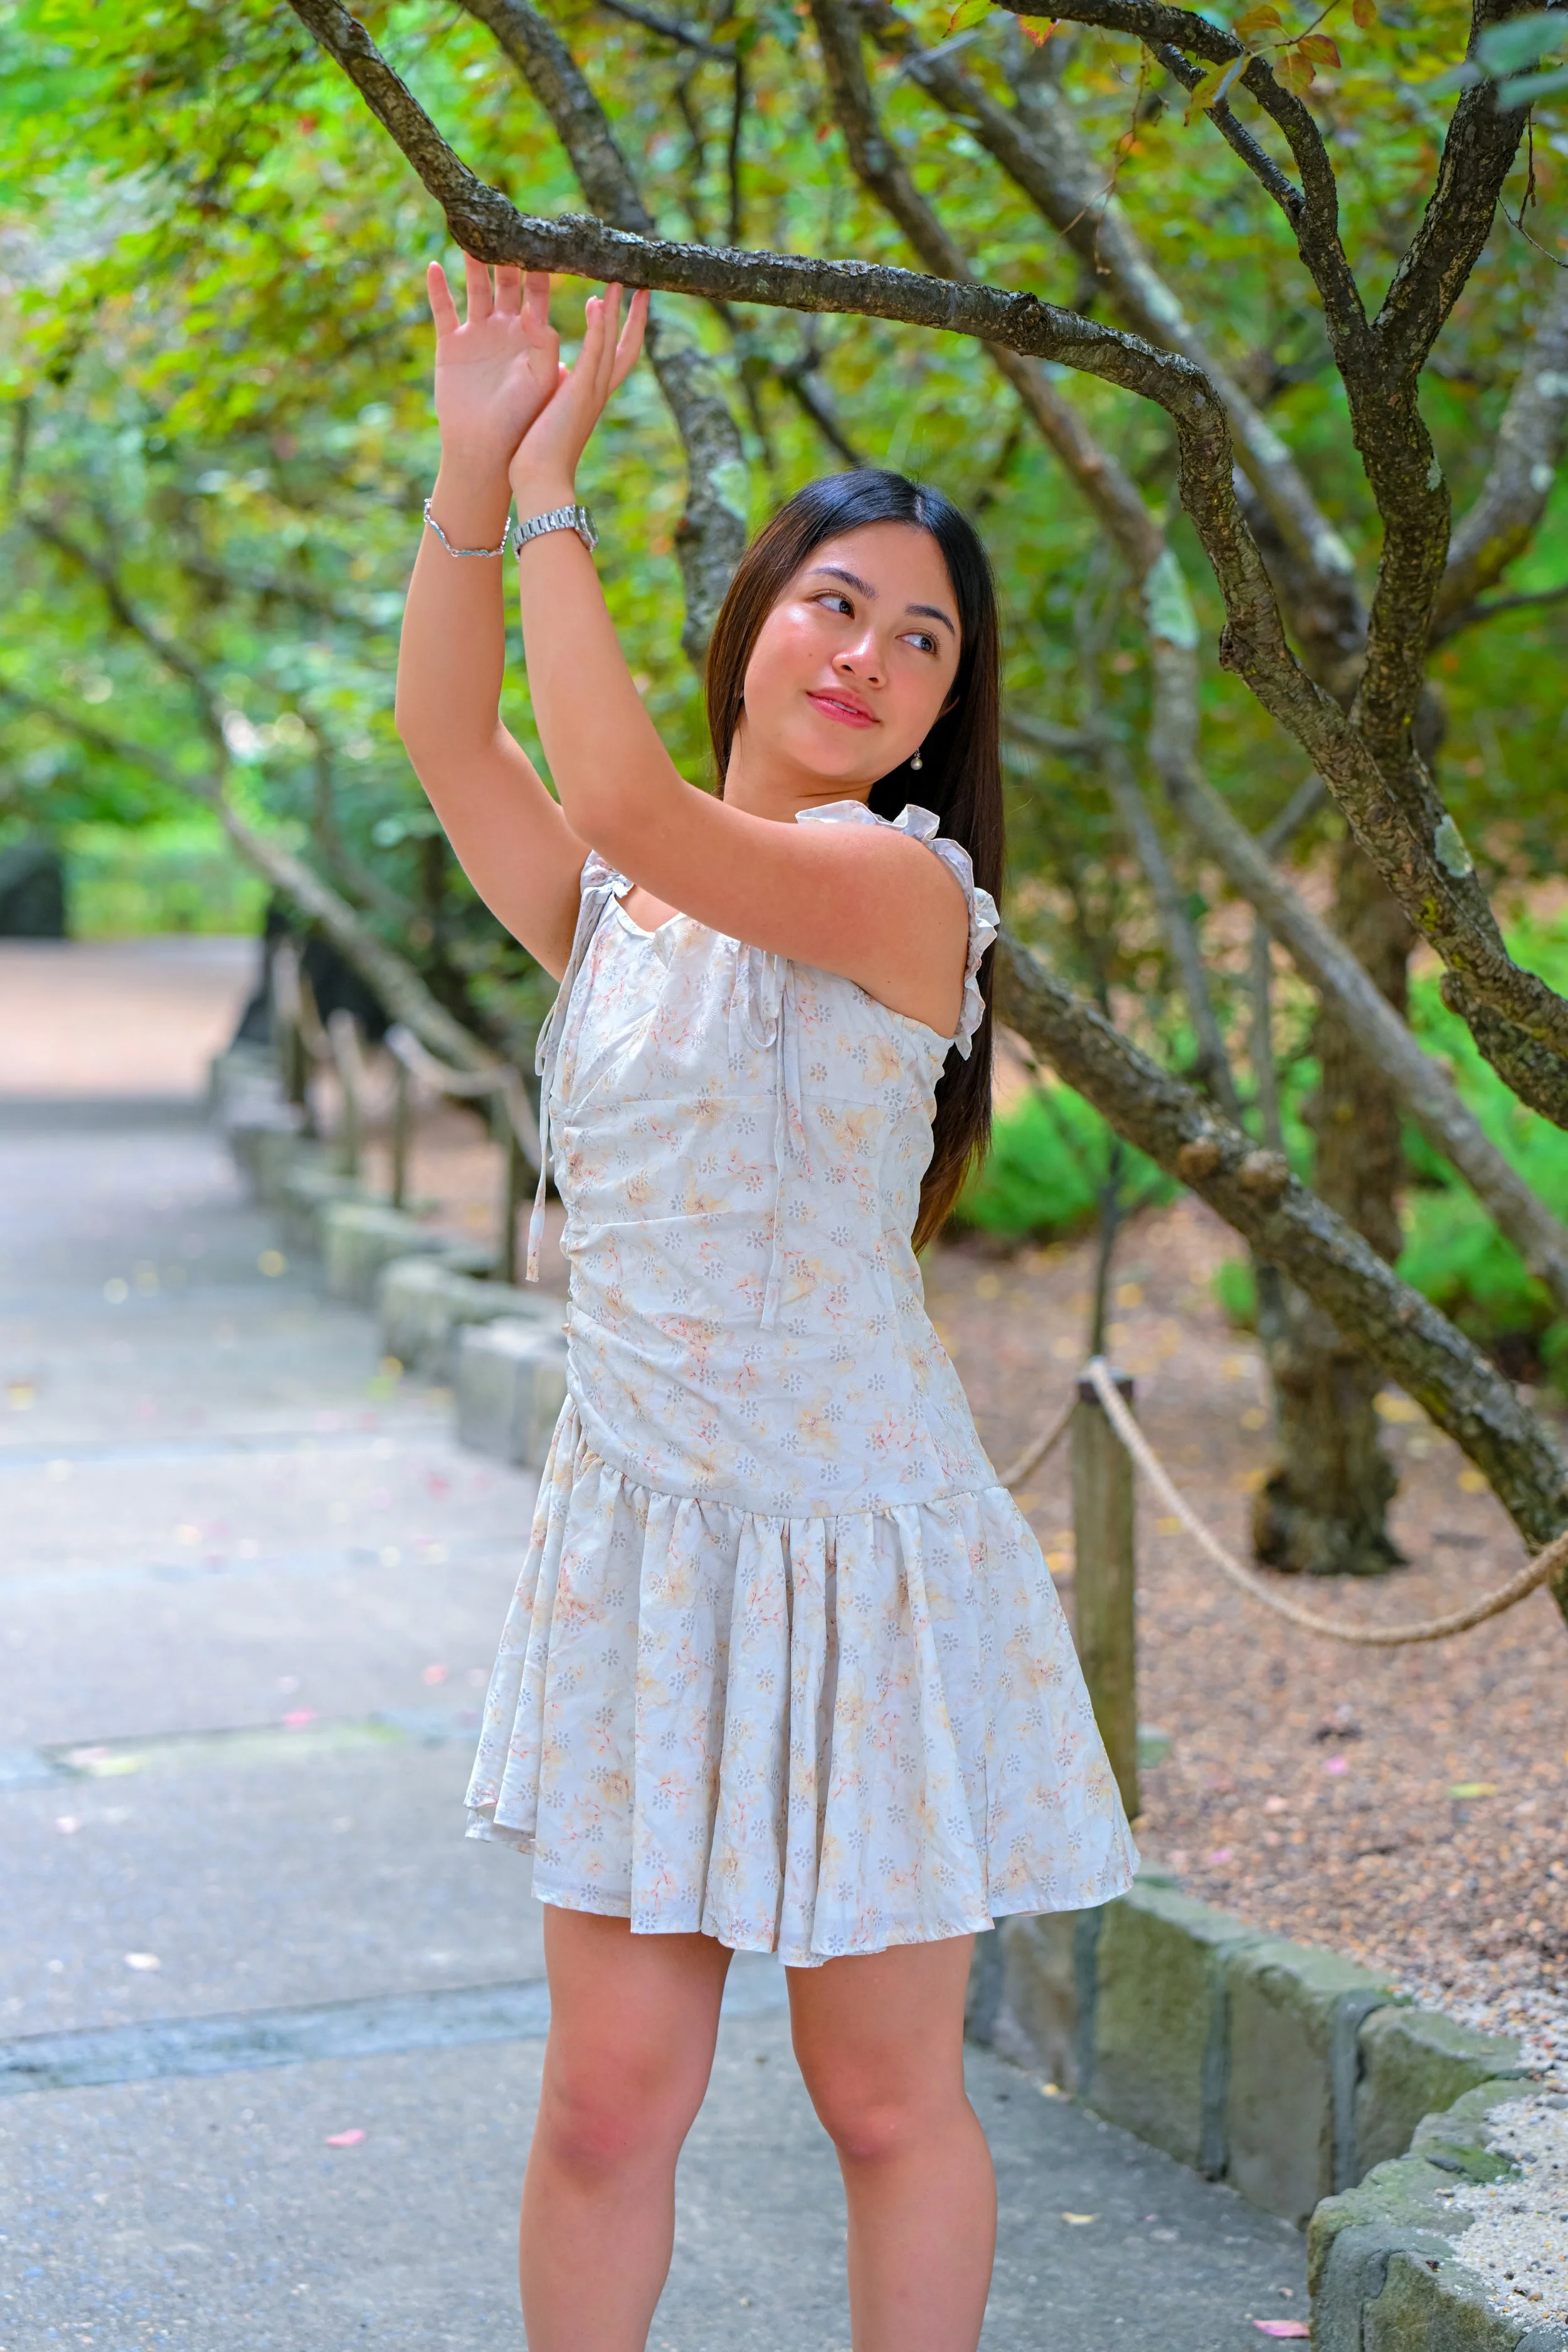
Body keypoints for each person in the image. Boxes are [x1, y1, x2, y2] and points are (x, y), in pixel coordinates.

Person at [395, 258, 1136, 2352]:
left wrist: (557, 489)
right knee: (606, 2105)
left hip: (856, 1561)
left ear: (938, 711)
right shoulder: (613, 912)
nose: (874, 656)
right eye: (836, 603)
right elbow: (452, 732)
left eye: (923, 641)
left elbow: (620, 785)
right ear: (753, 619)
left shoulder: (901, 890)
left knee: (882, 2095)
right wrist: (476, 463)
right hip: (647, 1556)